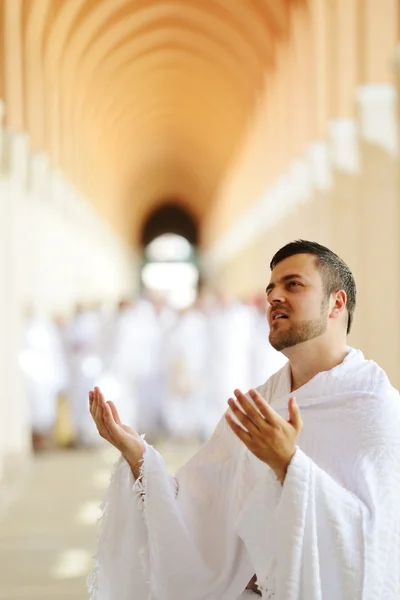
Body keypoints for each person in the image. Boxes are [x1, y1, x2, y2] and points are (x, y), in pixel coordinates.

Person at [87, 240, 400, 600]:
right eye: (271, 289)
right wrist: (138, 454)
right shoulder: (263, 401)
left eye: (293, 285)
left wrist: (289, 467)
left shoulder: (373, 408)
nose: (275, 297)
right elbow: (196, 506)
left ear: (336, 303)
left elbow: (374, 547)